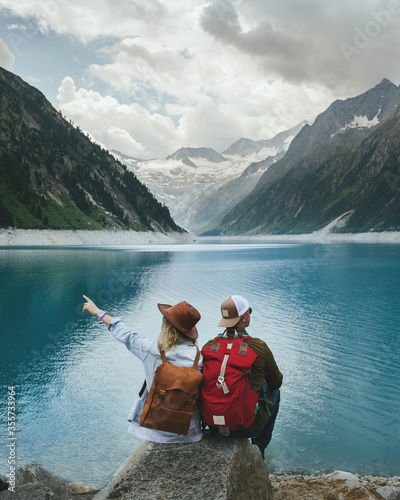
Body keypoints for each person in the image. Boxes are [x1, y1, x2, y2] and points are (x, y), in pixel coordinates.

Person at [82, 295, 203, 443]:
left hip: (154, 429)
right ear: (189, 331)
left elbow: (127, 335)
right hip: (189, 431)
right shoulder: (200, 358)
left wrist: (98, 312)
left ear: (167, 327)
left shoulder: (152, 349)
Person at [203, 295, 282, 457]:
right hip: (246, 428)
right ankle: (259, 447)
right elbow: (276, 382)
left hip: (213, 424)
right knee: (275, 392)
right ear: (244, 317)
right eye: (248, 312)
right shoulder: (258, 346)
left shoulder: (209, 346)